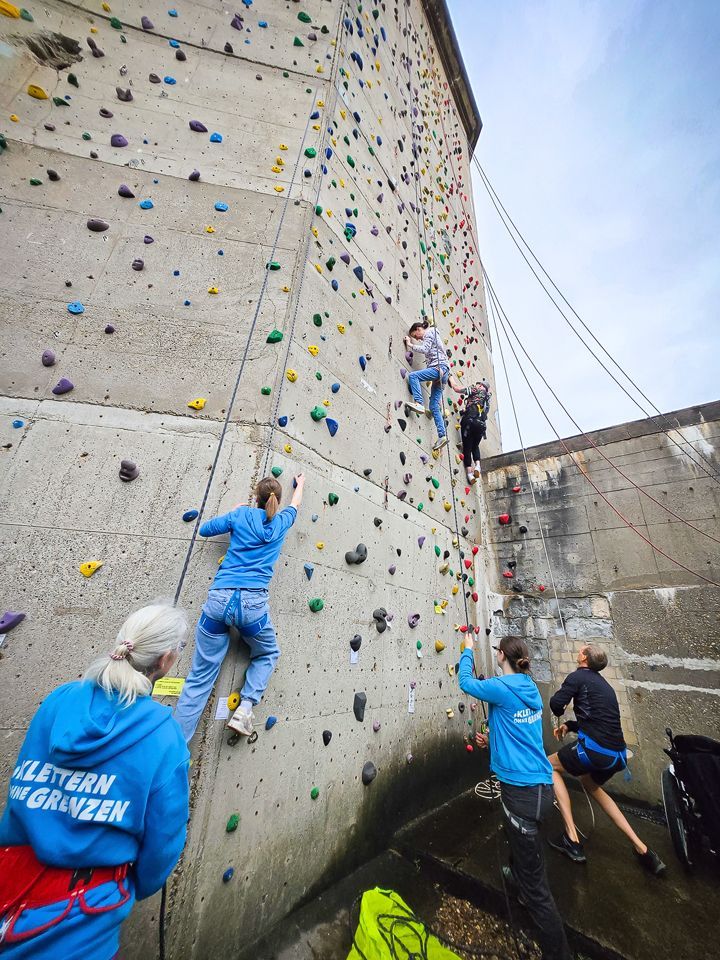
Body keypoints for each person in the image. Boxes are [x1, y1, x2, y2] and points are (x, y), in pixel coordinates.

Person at [0, 603, 190, 959]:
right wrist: (131, 887)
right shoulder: (163, 732)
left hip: (9, 876)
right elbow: (164, 839)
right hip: (83, 909)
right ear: (165, 661)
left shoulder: (59, 699)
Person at [459, 635, 571, 960]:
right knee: (525, 849)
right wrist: (492, 738)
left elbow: (465, 681)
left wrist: (467, 647)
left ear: (502, 655)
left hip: (522, 793)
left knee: (538, 891)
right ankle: (519, 876)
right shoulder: (529, 687)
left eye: (496, 651)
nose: (494, 654)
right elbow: (517, 730)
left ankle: (559, 954)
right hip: (540, 789)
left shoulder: (501, 687)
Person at [174, 473, 305, 742]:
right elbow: (296, 505)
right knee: (267, 653)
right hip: (252, 607)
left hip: (219, 600)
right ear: (276, 501)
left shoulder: (241, 515)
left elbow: (206, 529)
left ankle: (173, 749)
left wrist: (233, 513)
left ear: (256, 499)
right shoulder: (280, 522)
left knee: (199, 678)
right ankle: (244, 709)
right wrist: (300, 484)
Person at [548, 644, 666, 874]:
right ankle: (642, 848)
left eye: (581, 650)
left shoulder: (577, 676)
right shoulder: (605, 686)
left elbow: (555, 704)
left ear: (583, 658)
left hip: (595, 752)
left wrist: (559, 712)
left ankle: (571, 840)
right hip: (617, 756)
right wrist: (569, 725)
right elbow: (596, 720)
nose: (578, 652)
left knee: (547, 766)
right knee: (591, 785)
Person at [403, 320, 461, 453]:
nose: (418, 338)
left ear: (419, 329)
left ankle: (418, 403)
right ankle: (442, 436)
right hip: (443, 373)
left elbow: (425, 349)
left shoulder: (430, 332)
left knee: (413, 376)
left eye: (416, 336)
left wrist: (410, 344)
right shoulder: (434, 334)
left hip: (438, 368)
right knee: (434, 406)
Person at [454, 379, 491, 482]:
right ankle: (478, 466)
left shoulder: (476, 390)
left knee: (467, 448)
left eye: (478, 385)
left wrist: (450, 378)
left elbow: (457, 389)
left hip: (469, 422)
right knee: (475, 446)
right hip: (481, 426)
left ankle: (470, 474)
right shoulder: (486, 400)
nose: (477, 385)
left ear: (481, 386)